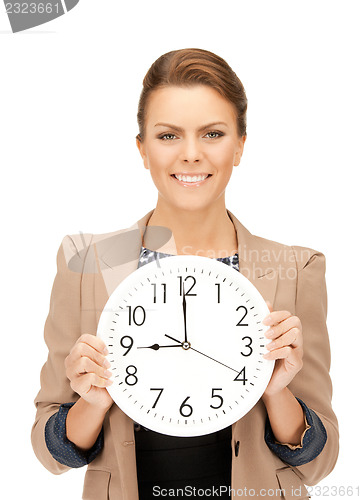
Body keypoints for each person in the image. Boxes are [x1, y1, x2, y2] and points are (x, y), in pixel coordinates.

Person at [31, 48, 339, 500]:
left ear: (239, 145)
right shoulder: (86, 264)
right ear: (142, 149)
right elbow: (51, 452)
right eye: (169, 136)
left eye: (212, 133)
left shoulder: (296, 269)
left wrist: (276, 392)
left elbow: (318, 464)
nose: (191, 155)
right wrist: (92, 404)